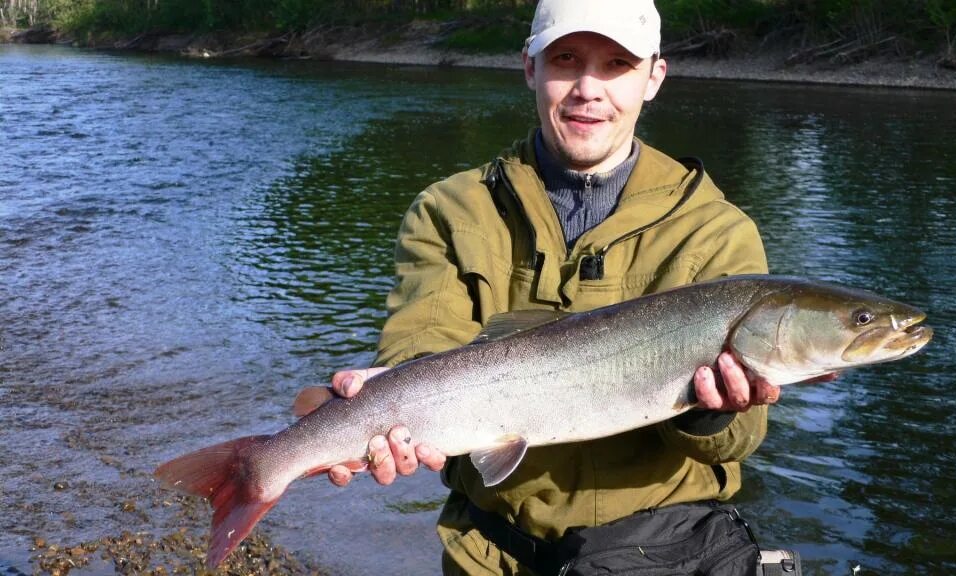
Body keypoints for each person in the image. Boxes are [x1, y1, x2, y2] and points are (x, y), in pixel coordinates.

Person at [311, 1, 817, 573]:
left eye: (617, 65)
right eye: (566, 59)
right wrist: (391, 404)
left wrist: (709, 412)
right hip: (486, 551)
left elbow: (737, 442)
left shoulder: (717, 230)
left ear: (654, 78)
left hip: (663, 553)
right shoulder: (449, 209)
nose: (587, 89)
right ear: (530, 67)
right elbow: (419, 344)